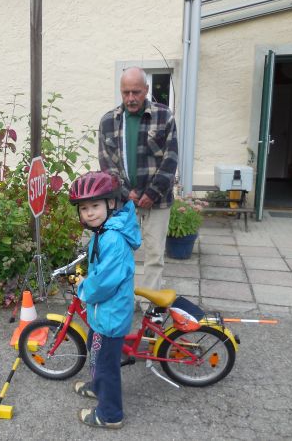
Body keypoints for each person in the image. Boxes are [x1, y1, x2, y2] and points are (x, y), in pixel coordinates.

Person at [98, 66, 178, 301]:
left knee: (154, 256)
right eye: (125, 93)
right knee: (122, 254)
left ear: (146, 89)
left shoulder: (165, 116)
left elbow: (171, 160)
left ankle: (149, 308)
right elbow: (105, 164)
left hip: (158, 201)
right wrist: (124, 192)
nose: (131, 98)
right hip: (124, 203)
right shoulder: (108, 122)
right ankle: (126, 302)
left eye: (136, 92)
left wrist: (152, 193)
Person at [69, 171, 141, 429]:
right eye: (84, 208)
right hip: (105, 313)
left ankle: (110, 414)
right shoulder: (104, 231)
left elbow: (105, 282)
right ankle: (97, 385)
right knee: (94, 348)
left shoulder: (112, 238)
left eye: (95, 206)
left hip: (109, 316)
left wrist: (83, 289)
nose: (89, 213)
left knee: (105, 364)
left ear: (111, 204)